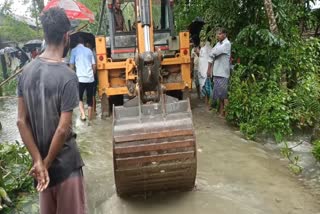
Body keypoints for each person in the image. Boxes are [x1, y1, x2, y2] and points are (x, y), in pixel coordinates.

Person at [16, 7, 86, 214]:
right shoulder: (68, 76)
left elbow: (21, 121)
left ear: (45, 35)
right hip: (66, 168)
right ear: (67, 36)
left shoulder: (25, 72)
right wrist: (45, 163)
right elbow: (63, 129)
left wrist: (38, 161)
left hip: (42, 175)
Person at [70, 36, 96, 121]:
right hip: (90, 78)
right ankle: (90, 119)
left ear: (77, 42)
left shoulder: (73, 51)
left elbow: (71, 65)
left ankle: (83, 115)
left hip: (80, 79)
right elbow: (94, 65)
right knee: (89, 99)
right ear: (83, 42)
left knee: (80, 98)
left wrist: (72, 75)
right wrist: (93, 74)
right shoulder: (89, 51)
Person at [207, 28, 231, 117]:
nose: (218, 36)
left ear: (224, 34)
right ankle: (222, 112)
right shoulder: (218, 44)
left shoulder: (227, 44)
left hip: (223, 73)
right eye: (217, 34)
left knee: (224, 95)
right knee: (220, 95)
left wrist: (212, 52)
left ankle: (227, 114)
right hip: (217, 72)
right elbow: (211, 53)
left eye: (220, 34)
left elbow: (214, 52)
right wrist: (212, 52)